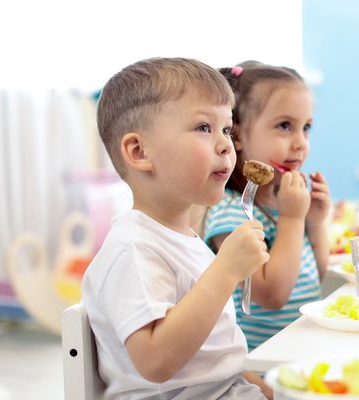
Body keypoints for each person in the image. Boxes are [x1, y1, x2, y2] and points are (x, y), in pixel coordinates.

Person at [81, 58, 269, 399]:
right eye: (203, 128)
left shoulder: (184, 239)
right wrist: (226, 269)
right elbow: (156, 362)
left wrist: (266, 388)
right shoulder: (133, 248)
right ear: (139, 151)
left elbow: (219, 360)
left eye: (226, 129)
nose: (227, 145)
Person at [204, 62, 330, 350]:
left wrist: (316, 223)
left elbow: (313, 280)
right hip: (261, 366)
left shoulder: (281, 204)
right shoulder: (232, 212)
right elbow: (272, 295)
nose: (300, 143)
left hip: (302, 350)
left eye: (306, 128)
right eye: (285, 126)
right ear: (236, 136)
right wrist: (293, 220)